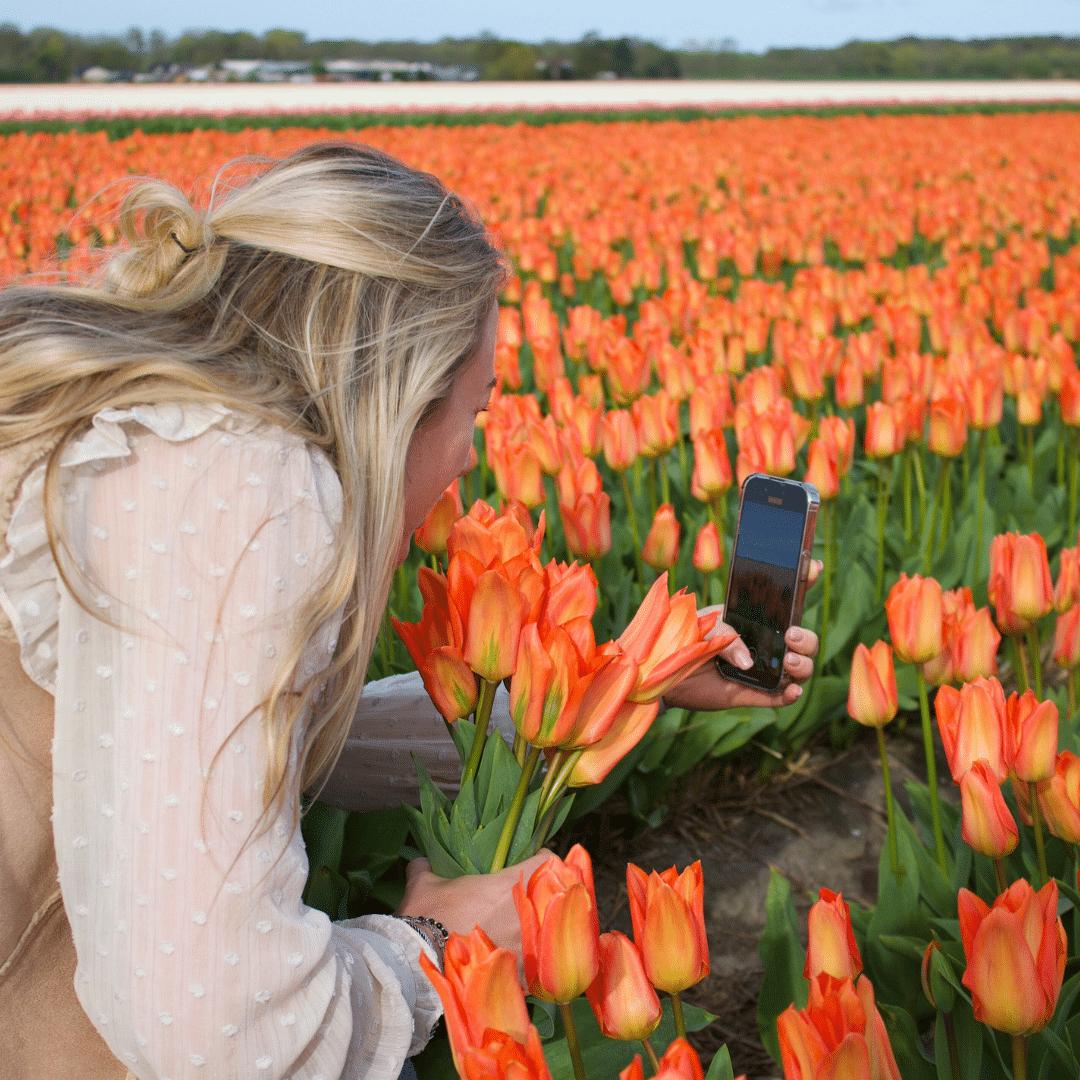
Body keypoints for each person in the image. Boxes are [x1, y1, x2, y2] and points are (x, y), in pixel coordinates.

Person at [0, 140, 819, 1080]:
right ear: (397, 393)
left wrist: (623, 687)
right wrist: (434, 942)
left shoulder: (170, 444)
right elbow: (221, 1034)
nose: (474, 455)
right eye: (478, 408)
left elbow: (260, 734)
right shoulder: (237, 485)